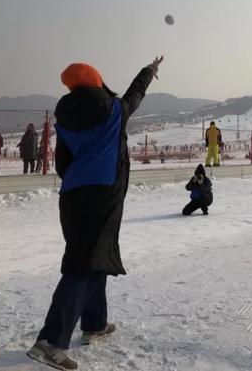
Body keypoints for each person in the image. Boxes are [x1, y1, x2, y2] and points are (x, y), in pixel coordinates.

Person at [27, 57, 163, 371]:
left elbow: (62, 165)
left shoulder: (65, 118)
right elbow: (135, 93)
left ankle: (94, 323)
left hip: (72, 197)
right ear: (98, 81)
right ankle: (50, 341)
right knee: (82, 265)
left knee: (94, 257)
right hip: (101, 196)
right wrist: (150, 70)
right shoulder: (113, 110)